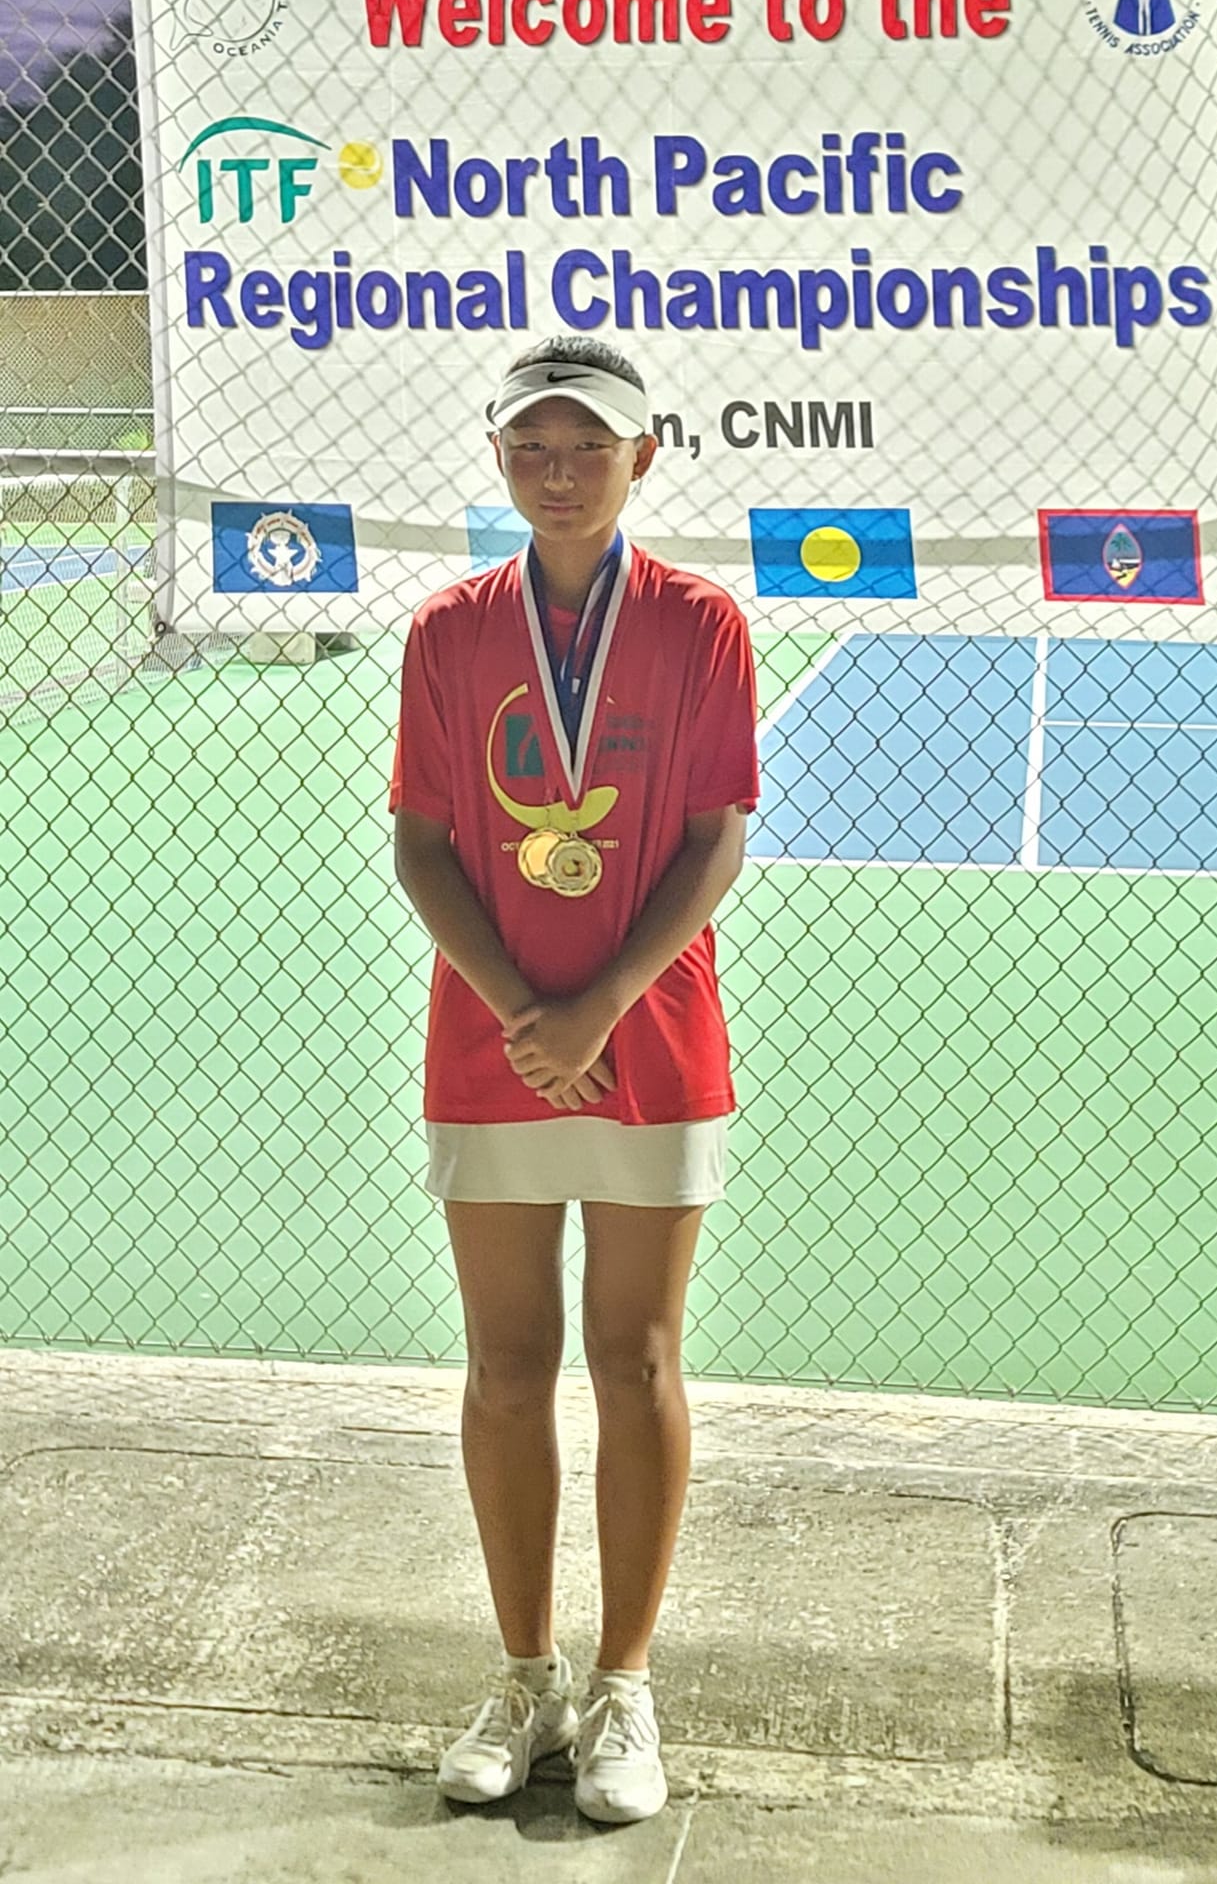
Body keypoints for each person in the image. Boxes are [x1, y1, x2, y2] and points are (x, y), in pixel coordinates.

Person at [388, 334, 760, 1825]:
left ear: (641, 457)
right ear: (497, 457)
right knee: (501, 1364)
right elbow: (422, 840)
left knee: (639, 1362)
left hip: (650, 1041)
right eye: (531, 443)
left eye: (585, 443)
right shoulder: (447, 630)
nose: (557, 467)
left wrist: (597, 1003)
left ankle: (624, 1686)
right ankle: (524, 1671)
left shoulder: (699, 623)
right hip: (490, 1044)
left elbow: (714, 836)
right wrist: (518, 1010)